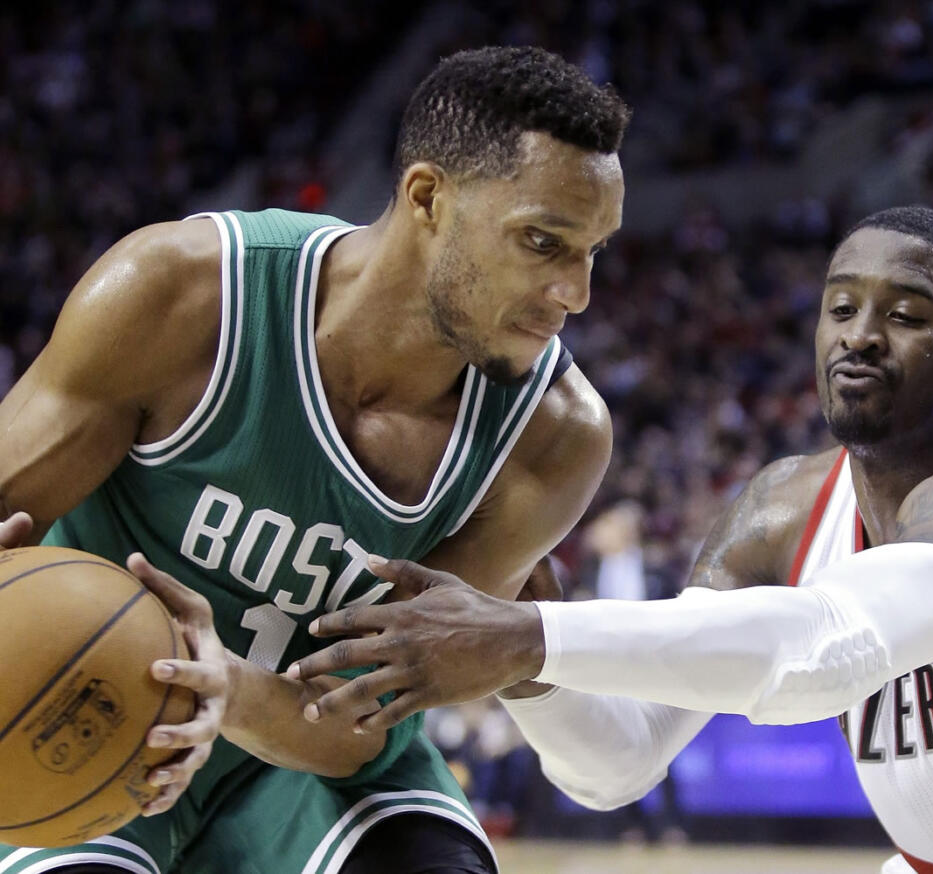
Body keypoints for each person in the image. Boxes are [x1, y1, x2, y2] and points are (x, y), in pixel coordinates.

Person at [293, 206, 933, 873]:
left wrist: (527, 639)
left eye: (904, 316)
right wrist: (529, 670)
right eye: (842, 306)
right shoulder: (783, 509)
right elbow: (617, 766)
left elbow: (826, 650)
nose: (859, 336)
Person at [0, 46, 628, 874]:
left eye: (595, 251)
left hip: (312, 766)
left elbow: (357, 731)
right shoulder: (181, 296)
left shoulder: (553, 439)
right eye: (543, 242)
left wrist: (217, 682)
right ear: (427, 197)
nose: (576, 293)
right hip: (90, 711)